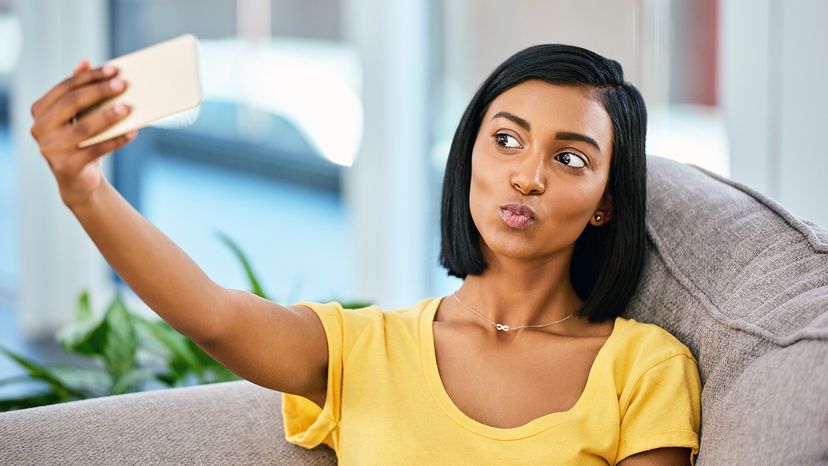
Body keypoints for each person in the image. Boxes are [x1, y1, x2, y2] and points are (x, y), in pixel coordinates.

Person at [29, 43, 701, 465]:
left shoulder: (644, 368)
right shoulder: (366, 350)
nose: (528, 175)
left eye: (569, 157)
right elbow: (215, 316)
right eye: (506, 140)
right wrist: (84, 191)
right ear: (469, 155)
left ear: (605, 202)